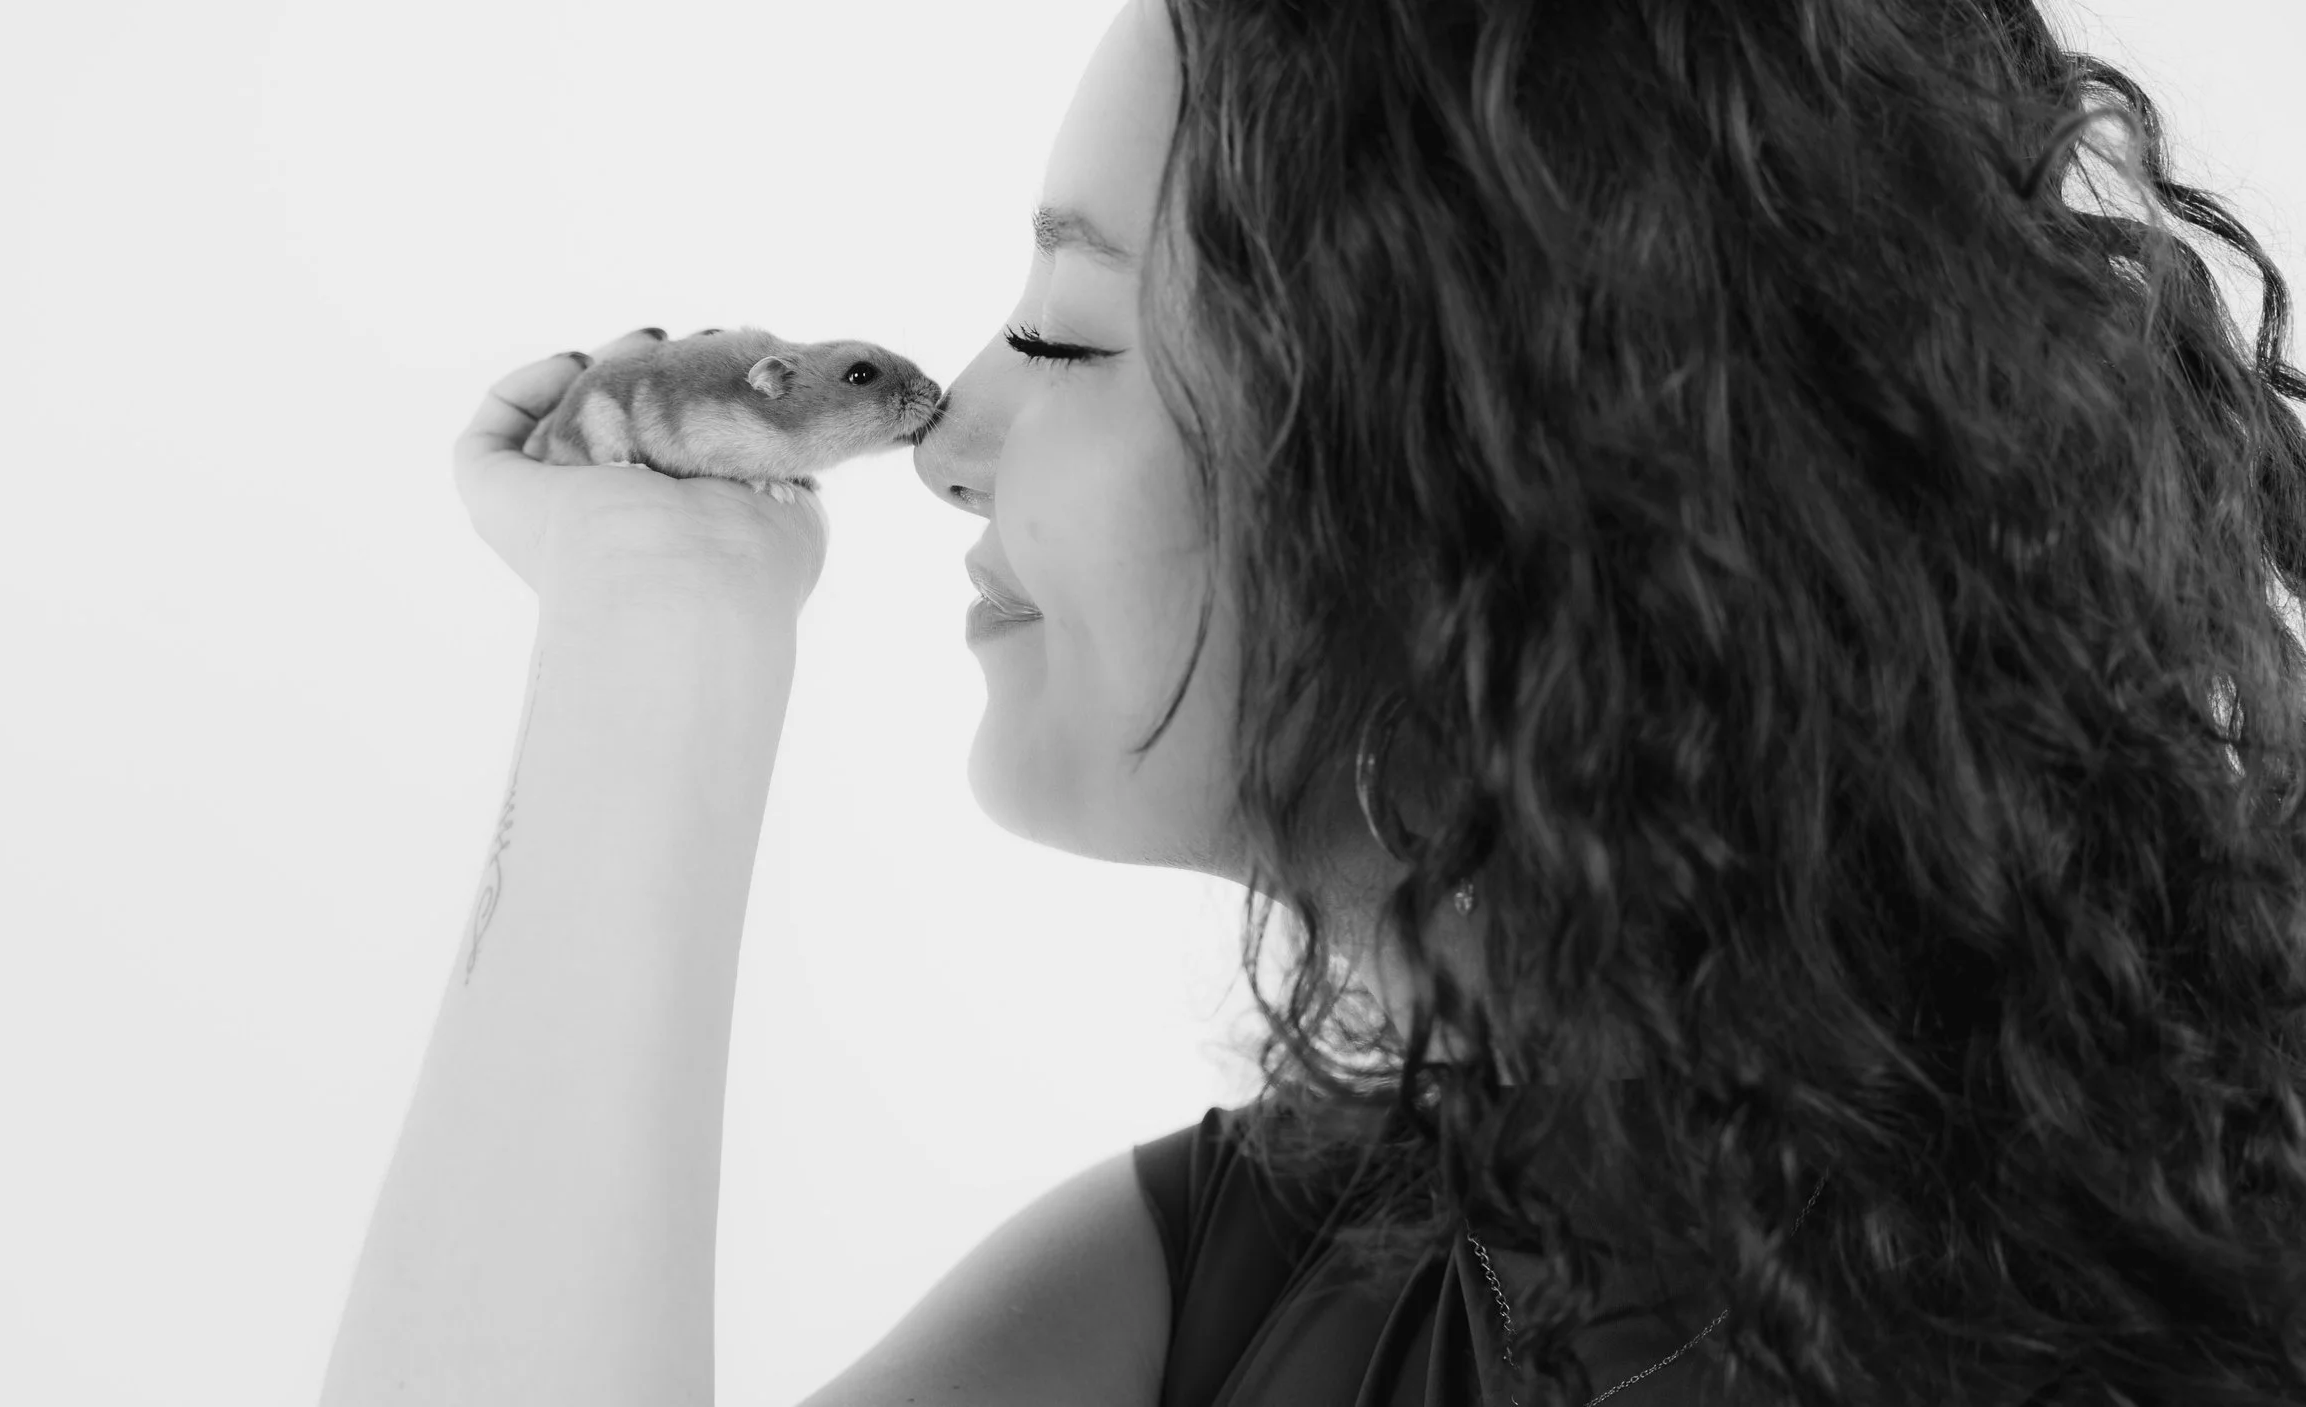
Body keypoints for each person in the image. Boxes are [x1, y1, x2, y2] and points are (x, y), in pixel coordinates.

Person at [322, 0, 2306, 1402]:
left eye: (1063, 333)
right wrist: (656, 618)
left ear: (1470, 468)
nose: (946, 444)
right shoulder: (1230, 1280)